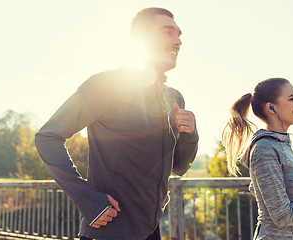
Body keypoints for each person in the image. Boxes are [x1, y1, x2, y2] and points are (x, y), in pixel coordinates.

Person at [35, 7, 198, 240]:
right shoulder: (107, 85)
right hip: (107, 231)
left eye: (179, 34)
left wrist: (190, 134)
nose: (178, 41)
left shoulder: (174, 98)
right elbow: (47, 137)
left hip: (151, 231)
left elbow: (180, 167)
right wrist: (86, 197)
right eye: (168, 33)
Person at [222, 78, 293, 240]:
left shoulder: (280, 145)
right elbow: (281, 215)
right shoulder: (265, 149)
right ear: (271, 107)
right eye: (292, 99)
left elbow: (259, 189)